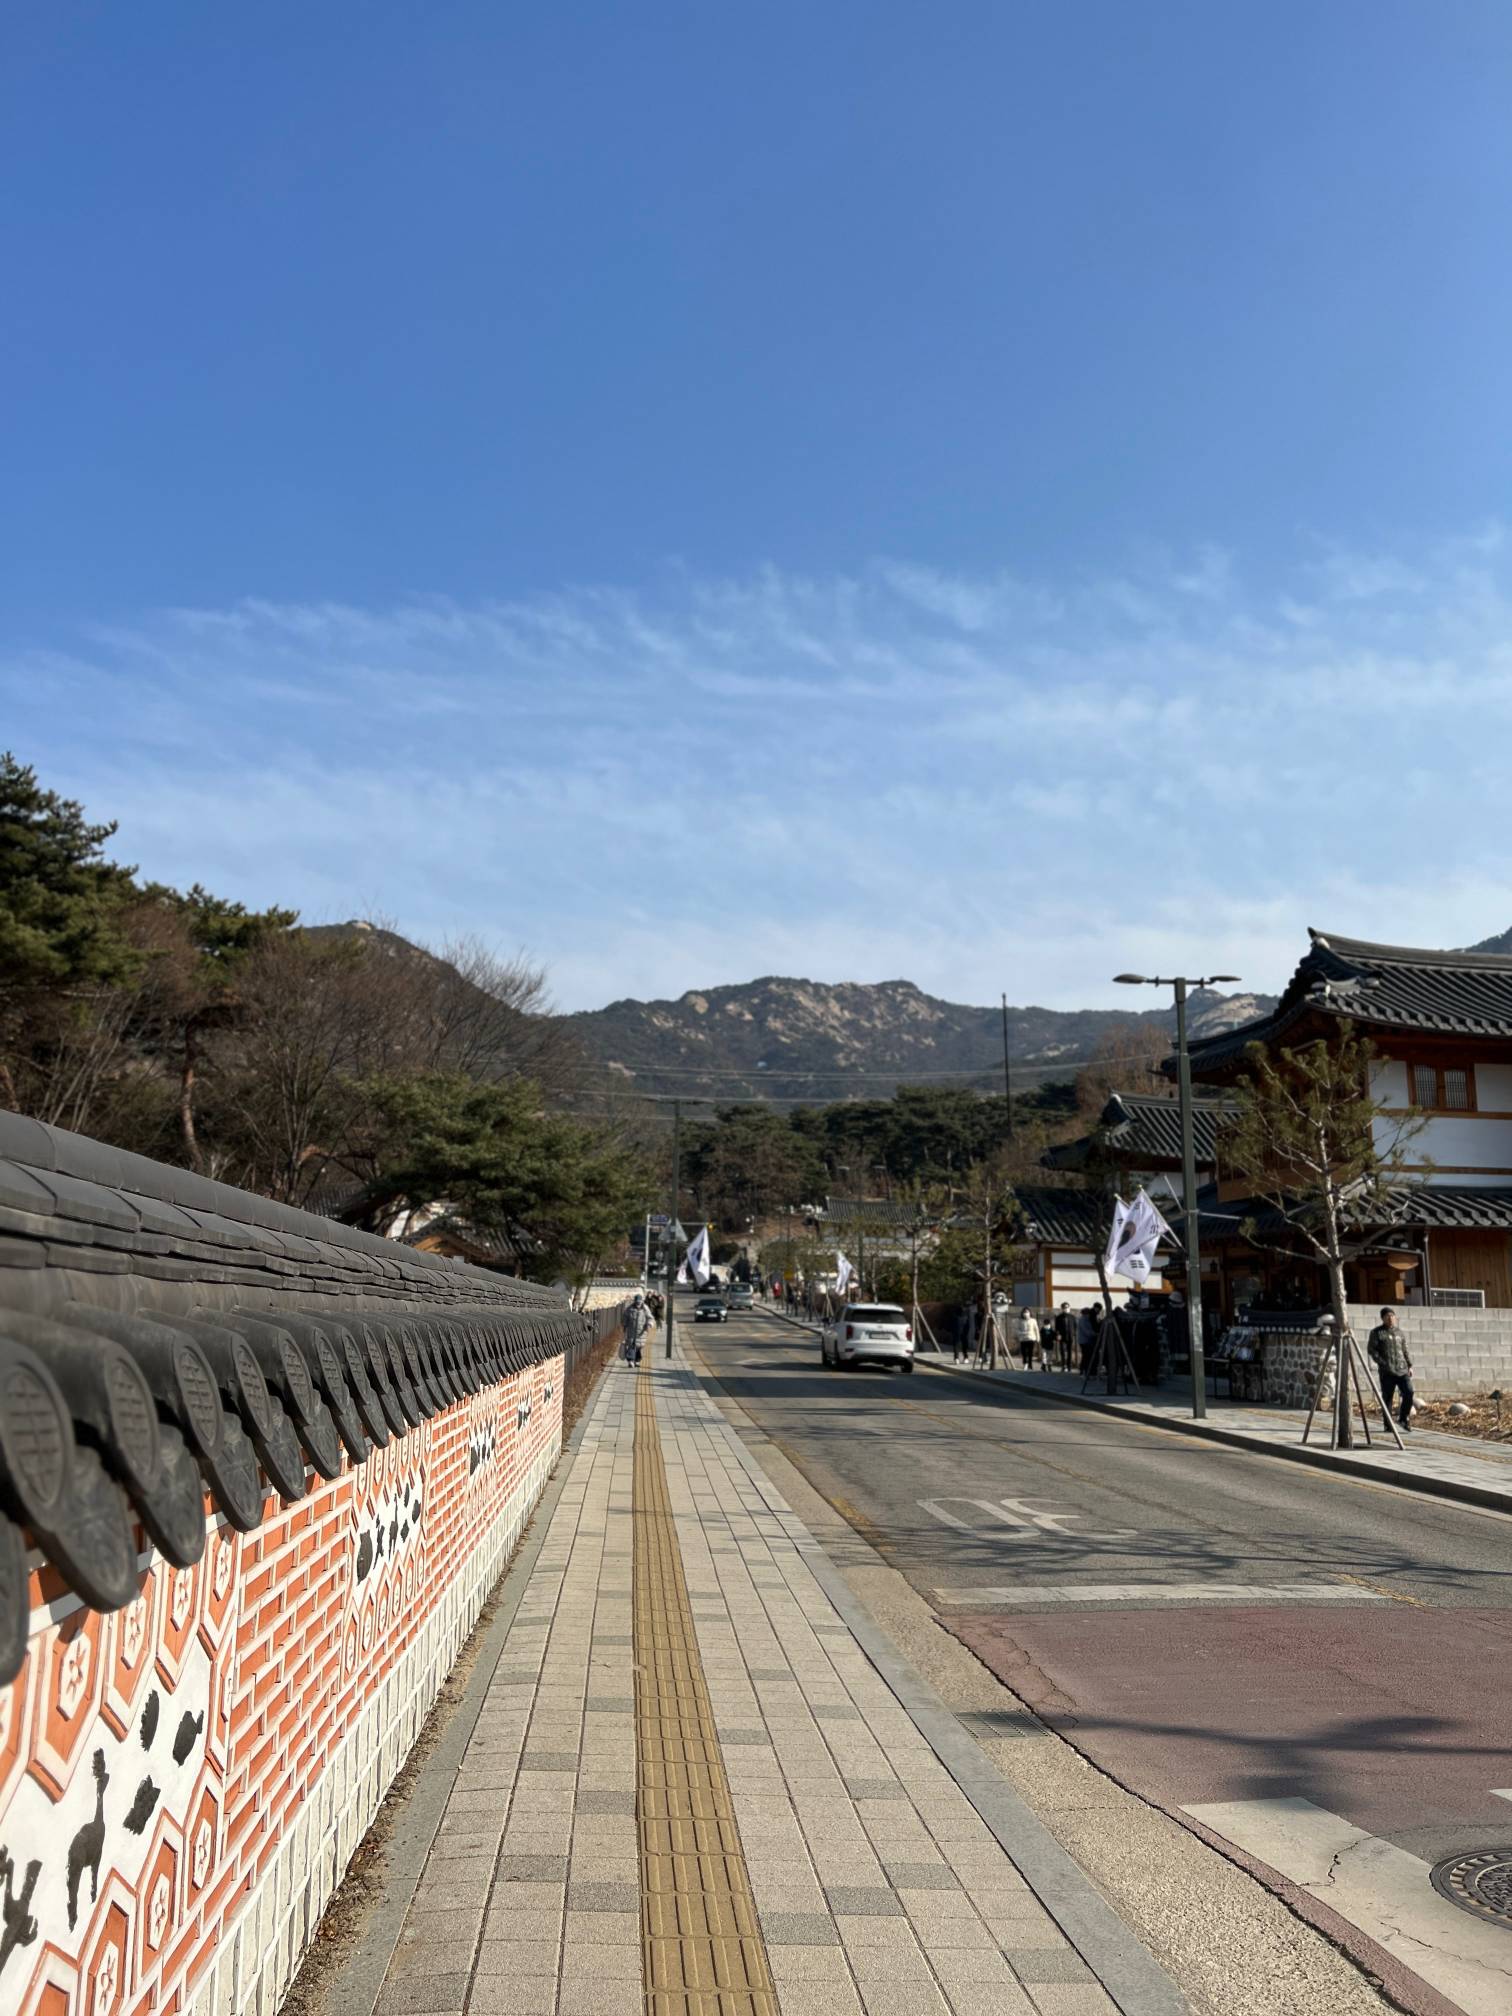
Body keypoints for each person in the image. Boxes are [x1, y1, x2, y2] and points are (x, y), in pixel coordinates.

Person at [1367, 1307, 1415, 1429]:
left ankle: (1403, 1419)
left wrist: (1409, 1365)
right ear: (1382, 1318)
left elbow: (1405, 1350)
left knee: (1409, 1392)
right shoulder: (1377, 1333)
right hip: (1387, 1371)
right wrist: (1382, 1363)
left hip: (1402, 1370)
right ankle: (1388, 1425)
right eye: (1387, 1316)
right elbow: (1371, 1350)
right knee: (1387, 1398)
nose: (1390, 1318)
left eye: (1392, 1316)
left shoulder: (1400, 1332)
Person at [621, 1295, 651, 1367]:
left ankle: (637, 1360)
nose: (638, 1304)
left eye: (639, 1302)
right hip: (631, 1331)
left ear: (642, 1302)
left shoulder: (645, 1309)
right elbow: (625, 1317)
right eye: (637, 1302)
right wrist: (624, 1325)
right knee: (631, 1345)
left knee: (638, 1347)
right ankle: (631, 1361)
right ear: (634, 1301)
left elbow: (650, 1318)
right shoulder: (629, 1309)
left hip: (641, 1332)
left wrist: (649, 1324)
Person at [1014, 1304, 1042, 1372]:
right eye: (1024, 1312)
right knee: (1024, 1352)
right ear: (1022, 1313)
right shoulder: (1020, 1321)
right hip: (1023, 1338)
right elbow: (1017, 1329)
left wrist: (1038, 1338)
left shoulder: (1033, 1320)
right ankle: (1025, 1363)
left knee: (1030, 1352)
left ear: (1029, 1313)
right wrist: (1020, 1334)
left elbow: (1036, 1329)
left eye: (1027, 1312)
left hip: (1031, 1338)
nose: (1026, 1313)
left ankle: (1030, 1365)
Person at [1054, 1302, 1076, 1372]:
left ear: (1069, 1308)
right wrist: (1058, 1335)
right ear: (1062, 1309)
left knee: (1070, 1352)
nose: (1066, 1309)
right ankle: (1063, 1365)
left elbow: (1075, 1326)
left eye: (1067, 1307)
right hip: (1062, 1337)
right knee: (1062, 1351)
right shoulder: (1059, 1317)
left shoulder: (1072, 1317)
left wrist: (1073, 1333)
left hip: (1070, 1336)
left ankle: (1069, 1366)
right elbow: (1057, 1327)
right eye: (1064, 1308)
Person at [1077, 1303, 1098, 1371]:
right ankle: (1083, 1370)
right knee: (1086, 1356)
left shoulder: (1086, 1320)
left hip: (1085, 1340)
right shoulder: (1083, 1320)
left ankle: (1085, 1369)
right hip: (1084, 1341)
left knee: (1086, 1356)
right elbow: (1086, 1331)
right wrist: (1095, 1334)